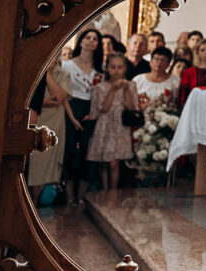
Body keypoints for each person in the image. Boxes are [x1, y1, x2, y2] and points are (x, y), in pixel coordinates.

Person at [27, 53, 76, 205]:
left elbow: (60, 97)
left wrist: (47, 74)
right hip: (33, 119)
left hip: (53, 124)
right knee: (30, 162)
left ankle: (35, 200)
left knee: (44, 163)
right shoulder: (30, 70)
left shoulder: (63, 74)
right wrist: (44, 101)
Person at [63, 28, 103, 204]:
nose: (91, 41)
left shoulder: (100, 70)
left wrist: (93, 113)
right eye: (88, 38)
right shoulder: (68, 65)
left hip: (91, 112)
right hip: (71, 109)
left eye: (95, 39)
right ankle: (69, 197)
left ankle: (81, 197)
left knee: (89, 154)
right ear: (80, 42)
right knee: (71, 152)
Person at [87, 54, 139, 191]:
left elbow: (131, 107)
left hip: (120, 127)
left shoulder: (132, 85)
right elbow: (103, 108)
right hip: (105, 126)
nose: (116, 71)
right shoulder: (100, 87)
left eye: (120, 67)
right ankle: (105, 190)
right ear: (107, 68)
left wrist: (126, 89)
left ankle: (113, 192)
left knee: (114, 163)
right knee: (105, 162)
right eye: (113, 67)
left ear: (125, 68)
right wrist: (113, 90)